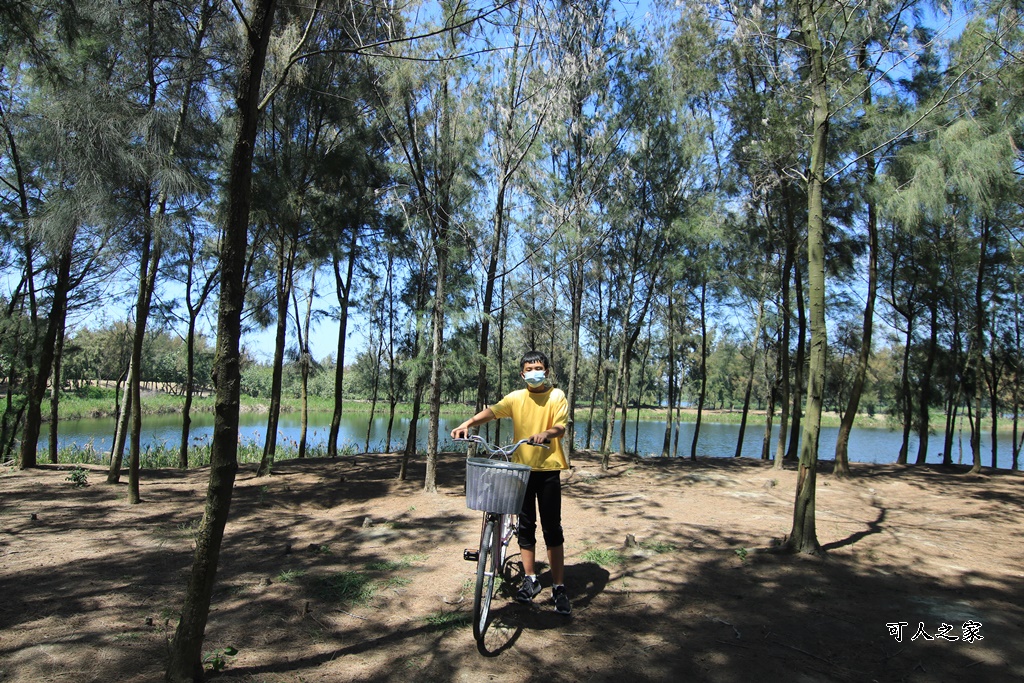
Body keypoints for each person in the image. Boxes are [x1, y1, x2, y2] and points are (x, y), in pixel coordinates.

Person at [450, 350, 572, 615]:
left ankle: (559, 586)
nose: (534, 373)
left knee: (553, 528)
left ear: (547, 372)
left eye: (538, 368)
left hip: (549, 469)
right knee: (526, 526)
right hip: (521, 471)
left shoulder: (556, 396)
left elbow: (561, 426)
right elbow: (492, 412)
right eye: (529, 369)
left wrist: (546, 433)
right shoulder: (516, 398)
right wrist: (467, 423)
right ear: (522, 374)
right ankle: (531, 580)